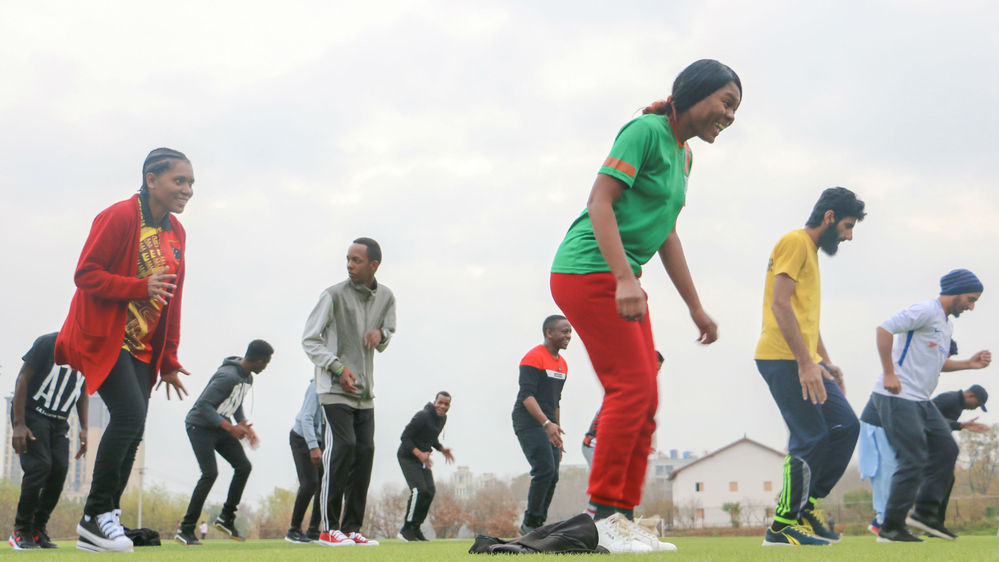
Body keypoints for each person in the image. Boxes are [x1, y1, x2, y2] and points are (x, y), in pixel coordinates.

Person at [550, 59, 740, 554]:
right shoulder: (646, 131)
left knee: (647, 396)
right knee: (631, 387)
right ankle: (603, 517)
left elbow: (666, 233)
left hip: (621, 276)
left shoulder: (684, 156)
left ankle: (623, 518)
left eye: (735, 109)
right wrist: (622, 278)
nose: (730, 115)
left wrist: (695, 307)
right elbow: (600, 202)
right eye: (726, 103)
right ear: (694, 94)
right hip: (587, 268)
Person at [55, 148, 193, 553]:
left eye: (191, 183)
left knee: (135, 425)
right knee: (129, 414)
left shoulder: (177, 233)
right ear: (151, 180)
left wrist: (168, 360)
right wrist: (137, 287)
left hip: (142, 346)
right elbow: (85, 274)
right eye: (179, 181)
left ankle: (108, 516)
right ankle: (93, 516)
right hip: (104, 336)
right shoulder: (117, 216)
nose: (187, 190)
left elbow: (171, 299)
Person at [757, 187, 865, 547]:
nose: (849, 236)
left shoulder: (811, 252)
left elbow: (805, 319)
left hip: (807, 359)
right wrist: (805, 362)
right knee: (811, 437)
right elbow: (780, 305)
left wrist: (826, 363)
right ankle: (781, 527)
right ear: (830, 217)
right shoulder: (794, 242)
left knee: (846, 426)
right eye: (848, 226)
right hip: (782, 357)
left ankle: (806, 504)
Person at [869, 269, 990, 543]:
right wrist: (889, 372)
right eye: (970, 300)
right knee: (913, 458)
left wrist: (969, 364)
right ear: (956, 291)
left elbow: (937, 363)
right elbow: (884, 329)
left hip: (921, 400)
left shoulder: (947, 325)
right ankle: (890, 528)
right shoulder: (925, 310)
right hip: (897, 395)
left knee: (947, 448)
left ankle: (925, 514)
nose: (971, 307)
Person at [302, 237, 396, 547]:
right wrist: (337, 368)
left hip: (364, 393)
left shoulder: (386, 297)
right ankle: (328, 528)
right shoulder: (332, 295)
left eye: (357, 260)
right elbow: (310, 340)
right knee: (342, 448)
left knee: (364, 453)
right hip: (334, 389)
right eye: (348, 259)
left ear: (374, 265)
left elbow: (388, 334)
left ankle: (352, 527)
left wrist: (380, 333)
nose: (349, 265)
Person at [859, 379, 989, 535]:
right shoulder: (950, 399)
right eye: (977, 404)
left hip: (928, 447)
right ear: (971, 395)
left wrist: (958, 427)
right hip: (920, 445)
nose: (975, 408)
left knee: (944, 479)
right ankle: (889, 521)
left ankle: (932, 522)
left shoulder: (957, 404)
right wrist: (959, 425)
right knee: (914, 478)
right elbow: (924, 417)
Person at [175, 340, 273, 545]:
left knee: (243, 467)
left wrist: (244, 425)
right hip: (200, 426)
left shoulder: (247, 378)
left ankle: (226, 518)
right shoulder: (227, 376)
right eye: (266, 362)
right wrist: (231, 428)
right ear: (258, 360)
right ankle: (185, 529)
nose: (266, 366)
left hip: (220, 427)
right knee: (209, 474)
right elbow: (203, 406)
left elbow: (236, 403)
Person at [8, 332, 88, 550]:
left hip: (59, 420)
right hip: (32, 413)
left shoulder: (90, 352)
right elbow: (22, 378)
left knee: (60, 469)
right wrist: (19, 423)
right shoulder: (49, 343)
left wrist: (84, 429)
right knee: (40, 466)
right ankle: (21, 530)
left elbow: (83, 390)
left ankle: (37, 529)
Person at [512, 316, 571, 536]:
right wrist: (546, 424)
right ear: (549, 333)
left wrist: (556, 430)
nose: (568, 336)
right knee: (544, 469)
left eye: (569, 332)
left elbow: (556, 401)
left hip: (548, 424)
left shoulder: (563, 364)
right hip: (529, 421)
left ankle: (537, 525)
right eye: (564, 332)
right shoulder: (533, 357)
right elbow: (526, 396)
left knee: (553, 474)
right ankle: (529, 526)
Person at [582, 351, 663, 468]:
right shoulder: (628, 385)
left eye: (657, 371)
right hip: (595, 445)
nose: (655, 375)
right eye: (654, 370)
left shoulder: (643, 389)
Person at [397, 392, 455, 542]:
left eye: (446, 404)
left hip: (423, 459)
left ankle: (416, 528)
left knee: (429, 491)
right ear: (434, 402)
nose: (442, 406)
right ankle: (406, 529)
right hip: (408, 456)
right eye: (440, 402)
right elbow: (405, 437)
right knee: (418, 490)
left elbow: (431, 437)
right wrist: (419, 454)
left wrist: (442, 449)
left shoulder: (442, 418)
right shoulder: (422, 416)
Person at [286, 379, 325, 544]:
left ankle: (313, 530)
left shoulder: (338, 389)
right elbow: (306, 418)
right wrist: (313, 446)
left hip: (322, 441)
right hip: (302, 438)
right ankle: (293, 530)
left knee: (324, 485)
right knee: (310, 483)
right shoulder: (316, 386)